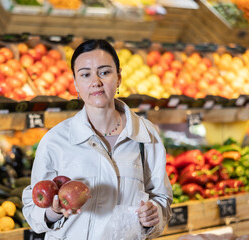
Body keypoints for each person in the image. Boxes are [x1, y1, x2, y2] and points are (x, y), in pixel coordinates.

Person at [22, 39, 173, 239]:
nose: (96, 82)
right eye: (85, 74)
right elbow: (33, 210)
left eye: (104, 72)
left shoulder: (146, 136)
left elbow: (162, 199)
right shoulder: (56, 140)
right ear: (75, 83)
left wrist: (153, 215)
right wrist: (53, 212)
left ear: (118, 77)